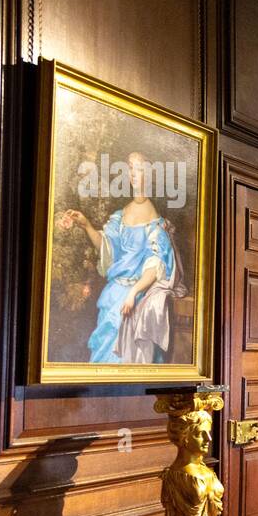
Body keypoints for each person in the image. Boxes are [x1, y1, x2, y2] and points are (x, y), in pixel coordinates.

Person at [64, 151, 185, 364]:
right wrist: (87, 226)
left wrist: (134, 292)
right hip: (113, 295)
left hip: (135, 296)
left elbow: (154, 266)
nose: (133, 174)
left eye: (139, 169)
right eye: (130, 168)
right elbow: (108, 249)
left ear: (150, 175)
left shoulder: (156, 223)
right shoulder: (121, 215)